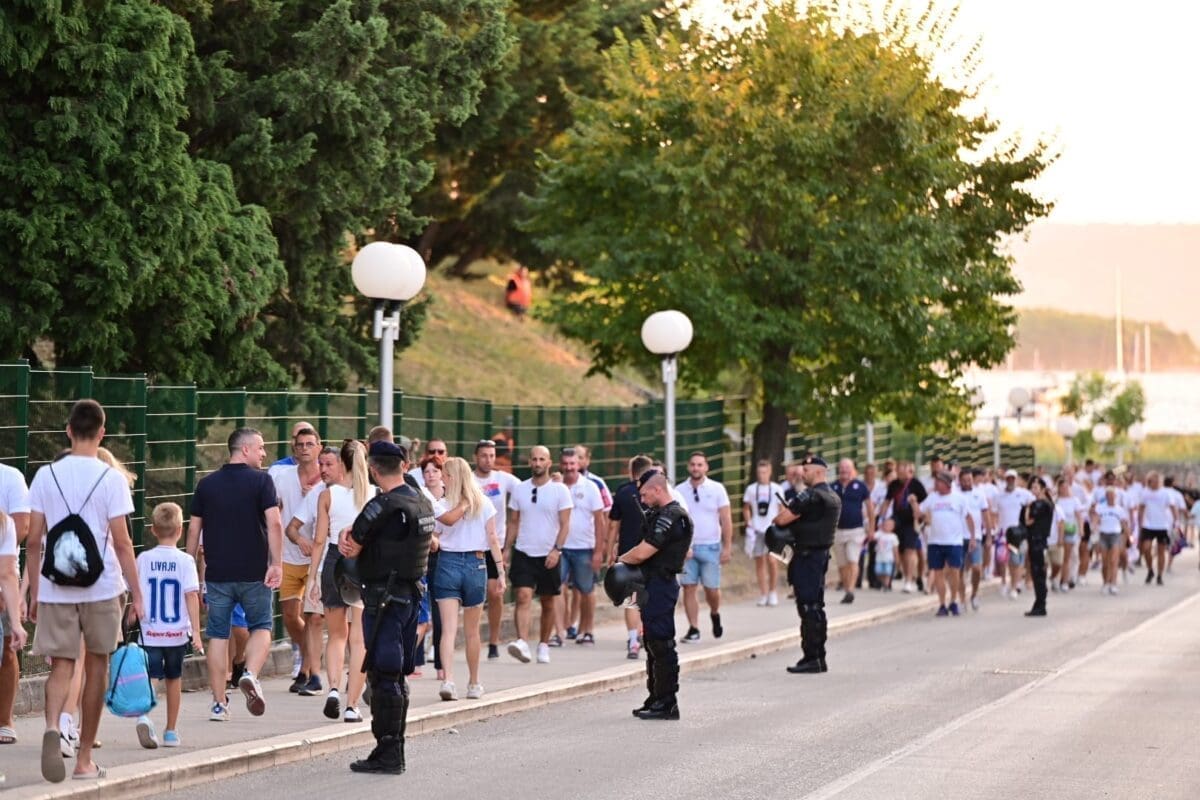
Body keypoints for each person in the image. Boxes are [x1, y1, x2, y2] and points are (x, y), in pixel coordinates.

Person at [26, 399, 144, 782]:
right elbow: (123, 543)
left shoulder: (46, 475)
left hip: (56, 586)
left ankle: (51, 725)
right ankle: (83, 761)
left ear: (68, 431)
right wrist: (137, 594)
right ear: (102, 433)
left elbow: (33, 540)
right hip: (101, 586)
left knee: (62, 665)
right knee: (96, 668)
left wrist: (33, 592)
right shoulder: (110, 478)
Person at [339, 440, 435, 775]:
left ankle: (388, 751)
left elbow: (351, 548)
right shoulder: (421, 502)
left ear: (374, 470)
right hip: (411, 596)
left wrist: (345, 536)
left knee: (383, 675)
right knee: (396, 675)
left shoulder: (382, 505)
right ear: (403, 466)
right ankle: (394, 748)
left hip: (384, 598)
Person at [186, 428, 283, 723]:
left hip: (217, 574)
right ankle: (250, 673)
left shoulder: (207, 484)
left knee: (217, 634)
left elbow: (193, 529)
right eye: (260, 448)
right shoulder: (262, 482)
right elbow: (275, 524)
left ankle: (218, 704)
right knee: (262, 626)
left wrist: (190, 567)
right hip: (255, 572)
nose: (264, 454)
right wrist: (276, 563)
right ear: (245, 450)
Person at [306, 441, 374, 722]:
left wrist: (312, 578)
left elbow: (319, 539)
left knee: (336, 635)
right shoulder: (374, 493)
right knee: (359, 640)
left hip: (334, 561)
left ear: (341, 464)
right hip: (364, 561)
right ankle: (352, 704)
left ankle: (333, 687)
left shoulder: (328, 495)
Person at [617, 470, 692, 720]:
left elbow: (642, 552)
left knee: (662, 643)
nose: (642, 497)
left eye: (645, 492)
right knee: (651, 643)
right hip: (649, 583)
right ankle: (656, 697)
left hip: (661, 583)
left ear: (657, 489)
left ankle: (668, 701)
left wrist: (619, 562)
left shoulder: (672, 516)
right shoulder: (658, 514)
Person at [433, 458, 504, 701]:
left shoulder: (443, 504)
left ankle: (448, 680)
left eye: (444, 474)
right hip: (476, 563)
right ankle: (474, 683)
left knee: (448, 630)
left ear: (453, 478)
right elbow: (493, 538)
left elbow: (435, 537)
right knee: (472, 631)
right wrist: (501, 571)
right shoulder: (483, 503)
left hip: (448, 562)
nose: (441, 477)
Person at [133, 502, 203, 749]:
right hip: (175, 634)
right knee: (174, 679)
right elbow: (191, 595)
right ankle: (171, 731)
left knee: (151, 677)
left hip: (149, 632)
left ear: (153, 530)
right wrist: (195, 630)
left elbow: (136, 592)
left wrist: (130, 616)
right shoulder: (185, 561)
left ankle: (144, 715)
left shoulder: (143, 559)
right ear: (180, 530)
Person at [771, 455, 840, 674]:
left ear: (819, 471)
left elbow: (781, 520)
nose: (803, 473)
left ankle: (811, 657)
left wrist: (788, 513)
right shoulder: (832, 496)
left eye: (807, 470)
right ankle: (818, 656)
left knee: (808, 607)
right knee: (816, 607)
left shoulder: (809, 496)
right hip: (820, 557)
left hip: (807, 557)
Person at [505, 446, 572, 665]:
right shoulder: (520, 489)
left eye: (541, 459)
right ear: (529, 463)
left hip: (549, 553)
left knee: (547, 601)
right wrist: (507, 548)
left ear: (549, 462)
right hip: (524, 550)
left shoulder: (560, 490)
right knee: (523, 596)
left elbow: (565, 524)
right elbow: (513, 521)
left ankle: (543, 644)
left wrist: (557, 549)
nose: (537, 463)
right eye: (534, 459)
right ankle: (522, 641)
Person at [273, 425, 324, 693]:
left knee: (313, 616)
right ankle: (309, 653)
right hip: (289, 555)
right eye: (300, 444)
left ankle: (307, 669)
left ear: (319, 447)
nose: (305, 449)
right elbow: (272, 511)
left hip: (318, 558)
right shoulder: (282, 477)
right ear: (294, 448)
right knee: (290, 616)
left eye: (309, 444)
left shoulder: (327, 481)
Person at [676, 452, 732, 642]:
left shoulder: (717, 489)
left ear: (706, 467)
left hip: (711, 546)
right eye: (693, 464)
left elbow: (725, 518)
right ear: (688, 467)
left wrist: (727, 546)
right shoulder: (679, 490)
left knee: (711, 589)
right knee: (689, 587)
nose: (696, 468)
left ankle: (715, 613)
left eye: (700, 465)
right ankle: (694, 628)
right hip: (688, 548)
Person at [473, 439, 521, 660]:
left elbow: (527, 488)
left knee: (495, 592)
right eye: (484, 455)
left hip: (496, 544)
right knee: (472, 596)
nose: (488, 460)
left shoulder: (503, 479)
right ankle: (471, 638)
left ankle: (493, 641)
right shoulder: (470, 479)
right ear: (476, 457)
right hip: (472, 545)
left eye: (492, 455)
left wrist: (554, 481)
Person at [608, 455, 656, 659]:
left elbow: (613, 524)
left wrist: (610, 548)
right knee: (651, 598)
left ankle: (633, 640)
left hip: (628, 554)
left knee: (632, 599)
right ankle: (647, 634)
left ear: (631, 472)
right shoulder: (656, 493)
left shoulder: (623, 492)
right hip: (652, 552)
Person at [557, 448, 606, 645]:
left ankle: (587, 629)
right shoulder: (556, 486)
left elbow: (600, 520)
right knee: (557, 589)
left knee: (586, 590)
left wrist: (598, 551)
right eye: (566, 464)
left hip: (584, 547)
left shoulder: (591, 487)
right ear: (561, 465)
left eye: (573, 464)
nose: (569, 468)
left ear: (579, 464)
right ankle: (559, 631)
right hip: (559, 547)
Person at [0, 461, 29, 749]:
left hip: (5, 573)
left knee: (7, 650)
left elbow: (23, 526)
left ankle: (5, 719)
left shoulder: (11, 478)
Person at [916, 473, 973, 617]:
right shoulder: (932, 498)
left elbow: (968, 517)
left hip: (954, 541)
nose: (936, 484)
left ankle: (953, 601)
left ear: (947, 484)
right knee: (938, 572)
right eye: (936, 481)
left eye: (939, 482)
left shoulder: (959, 498)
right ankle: (942, 603)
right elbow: (919, 513)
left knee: (955, 572)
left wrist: (972, 537)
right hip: (935, 541)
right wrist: (912, 503)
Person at [831, 459, 874, 605]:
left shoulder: (860, 486)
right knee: (842, 563)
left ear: (853, 469)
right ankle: (846, 587)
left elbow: (870, 508)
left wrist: (872, 528)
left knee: (852, 559)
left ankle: (850, 590)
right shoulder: (833, 486)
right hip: (837, 530)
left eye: (847, 467)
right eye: (842, 467)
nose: (844, 470)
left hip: (855, 530)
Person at [741, 460, 783, 606]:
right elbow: (746, 507)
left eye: (764, 472)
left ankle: (772, 591)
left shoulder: (777, 488)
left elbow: (781, 508)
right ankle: (763, 593)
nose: (762, 475)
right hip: (758, 528)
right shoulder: (752, 489)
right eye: (759, 473)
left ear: (770, 472)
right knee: (760, 561)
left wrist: (780, 523)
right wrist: (748, 522)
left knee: (772, 560)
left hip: (772, 529)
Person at [881, 461, 926, 594]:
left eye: (902, 472)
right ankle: (906, 575)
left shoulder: (916, 484)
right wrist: (882, 517)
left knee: (909, 550)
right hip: (898, 518)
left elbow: (926, 502)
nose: (900, 475)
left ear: (909, 471)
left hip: (912, 520)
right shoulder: (894, 484)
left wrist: (920, 514)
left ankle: (908, 580)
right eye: (899, 472)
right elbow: (887, 501)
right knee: (900, 551)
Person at [995, 470, 1033, 600]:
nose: (1010, 481)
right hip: (1003, 533)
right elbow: (994, 513)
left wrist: (1028, 522)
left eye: (1013, 479)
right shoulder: (999, 496)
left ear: (1016, 480)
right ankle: (1004, 581)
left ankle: (1013, 586)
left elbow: (1033, 506)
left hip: (1018, 533)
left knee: (1015, 560)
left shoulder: (1024, 494)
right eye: (1008, 479)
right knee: (1002, 560)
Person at [1022, 476, 1055, 617]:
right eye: (1032, 487)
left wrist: (1028, 507)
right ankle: (1039, 603)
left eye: (1036, 487)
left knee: (1038, 573)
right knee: (1039, 573)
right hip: (1040, 541)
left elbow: (1028, 521)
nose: (1033, 490)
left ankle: (1040, 605)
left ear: (1042, 489)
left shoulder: (1039, 504)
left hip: (1037, 541)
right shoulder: (1048, 503)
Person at [1138, 471, 1175, 586]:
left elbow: (1172, 507)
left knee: (1161, 551)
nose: (1153, 483)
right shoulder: (1145, 493)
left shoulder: (1165, 493)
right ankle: (1150, 570)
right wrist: (1140, 524)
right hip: (1148, 525)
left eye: (1155, 481)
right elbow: (1141, 508)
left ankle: (1159, 575)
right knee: (1146, 548)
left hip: (1162, 525)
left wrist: (1176, 521)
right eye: (1151, 481)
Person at [1092, 486, 1130, 594]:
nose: (1110, 498)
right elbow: (1096, 519)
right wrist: (1094, 527)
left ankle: (1113, 583)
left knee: (1113, 560)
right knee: (1105, 561)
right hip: (1103, 534)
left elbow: (1124, 524)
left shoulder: (1119, 510)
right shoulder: (1100, 508)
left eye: (1112, 496)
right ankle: (1105, 582)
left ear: (1115, 497)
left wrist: (1127, 538)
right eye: (1108, 496)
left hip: (1115, 535)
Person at [960, 470, 987, 610]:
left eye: (969, 480)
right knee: (960, 570)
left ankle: (974, 594)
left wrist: (988, 534)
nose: (967, 482)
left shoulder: (979, 494)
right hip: (959, 537)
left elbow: (985, 513)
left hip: (975, 536)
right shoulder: (956, 494)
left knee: (977, 568)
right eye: (964, 480)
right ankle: (962, 598)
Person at [874, 521, 899, 591]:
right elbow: (873, 536)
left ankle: (886, 585)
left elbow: (895, 548)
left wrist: (896, 558)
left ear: (893, 527)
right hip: (879, 557)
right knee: (878, 571)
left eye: (889, 525)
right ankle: (882, 583)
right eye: (885, 525)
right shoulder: (879, 534)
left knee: (887, 572)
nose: (887, 526)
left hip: (889, 558)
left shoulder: (893, 537)